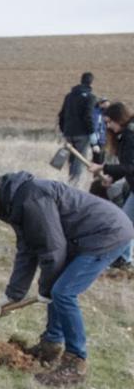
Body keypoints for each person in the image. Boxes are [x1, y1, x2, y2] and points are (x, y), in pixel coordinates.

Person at [0, 167, 133, 386]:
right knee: (57, 288)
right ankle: (51, 346)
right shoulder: (13, 201)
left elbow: (53, 249)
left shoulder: (31, 200)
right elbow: (27, 250)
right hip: (81, 235)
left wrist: (45, 291)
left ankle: (75, 363)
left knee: (63, 292)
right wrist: (13, 295)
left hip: (106, 233)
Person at [87, 101, 134, 268]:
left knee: (125, 222)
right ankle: (124, 258)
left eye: (109, 122)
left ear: (119, 119)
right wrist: (111, 178)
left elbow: (131, 166)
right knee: (125, 222)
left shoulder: (130, 136)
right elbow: (128, 166)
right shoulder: (125, 136)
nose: (108, 126)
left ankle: (124, 259)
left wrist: (103, 167)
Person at [59, 72, 99, 185]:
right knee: (79, 161)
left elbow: (61, 114)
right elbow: (88, 117)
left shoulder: (69, 96)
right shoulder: (91, 97)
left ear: (81, 80)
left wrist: (64, 130)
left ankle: (70, 181)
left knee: (71, 160)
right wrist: (92, 135)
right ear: (91, 83)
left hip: (68, 132)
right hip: (82, 134)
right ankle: (74, 186)